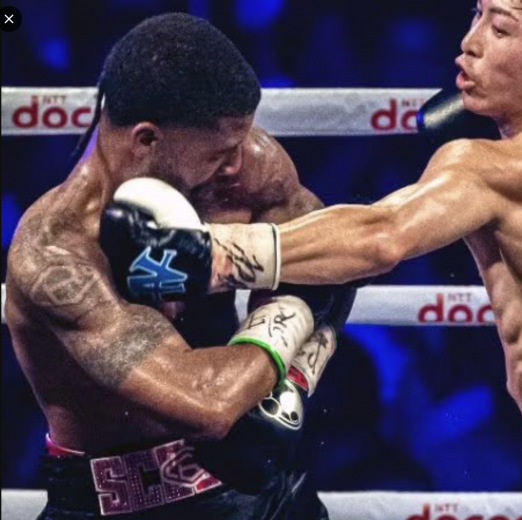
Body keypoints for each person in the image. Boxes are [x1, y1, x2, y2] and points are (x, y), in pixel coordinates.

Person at [106, 1, 522, 518]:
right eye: (476, 15)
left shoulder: (491, 168)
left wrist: (210, 254)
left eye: (500, 30)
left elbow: (380, 238)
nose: (469, 43)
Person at [5, 13, 353, 520]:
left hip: (263, 488)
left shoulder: (242, 171)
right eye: (220, 151)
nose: (237, 163)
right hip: (117, 504)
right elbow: (208, 406)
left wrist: (294, 383)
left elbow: (340, 257)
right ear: (147, 140)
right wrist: (291, 319)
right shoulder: (57, 253)